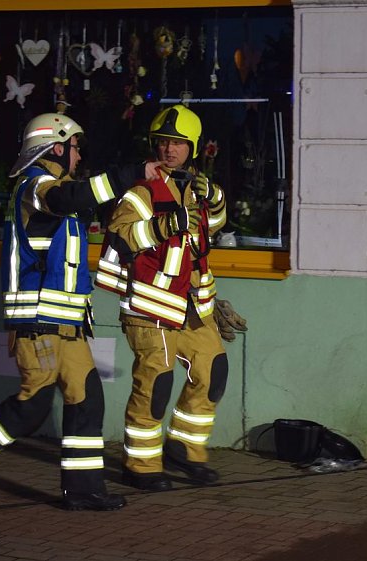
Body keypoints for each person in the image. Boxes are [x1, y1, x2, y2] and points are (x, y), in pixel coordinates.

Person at [0, 112, 160, 511]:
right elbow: (66, 199)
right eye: (75, 148)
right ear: (56, 147)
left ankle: (83, 490)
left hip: (66, 324)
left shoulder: (59, 193)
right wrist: (130, 172)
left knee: (87, 399)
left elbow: (76, 210)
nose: (78, 157)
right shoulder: (35, 186)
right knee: (33, 406)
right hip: (37, 322)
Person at [94, 105, 228, 492]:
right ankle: (139, 463)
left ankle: (185, 449)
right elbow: (120, 237)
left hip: (191, 305)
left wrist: (215, 200)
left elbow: (211, 228)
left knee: (212, 368)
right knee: (156, 382)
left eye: (179, 143)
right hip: (149, 306)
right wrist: (164, 225)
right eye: (164, 142)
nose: (170, 150)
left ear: (193, 149)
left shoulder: (197, 186)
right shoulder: (141, 188)